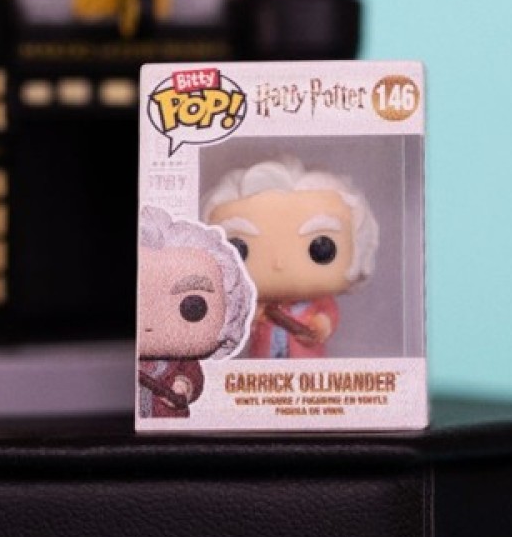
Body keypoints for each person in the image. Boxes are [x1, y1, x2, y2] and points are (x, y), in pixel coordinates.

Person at [201, 156, 378, 359]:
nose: (279, 263)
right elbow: (239, 326)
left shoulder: (319, 303)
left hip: (306, 365)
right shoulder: (256, 304)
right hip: (260, 365)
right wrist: (253, 318)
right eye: (240, 249)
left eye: (321, 249)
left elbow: (328, 316)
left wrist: (321, 325)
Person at [137, 205, 254, 418]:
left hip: (169, 424)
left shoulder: (181, 361)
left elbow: (192, 377)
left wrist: (184, 385)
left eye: (192, 308)